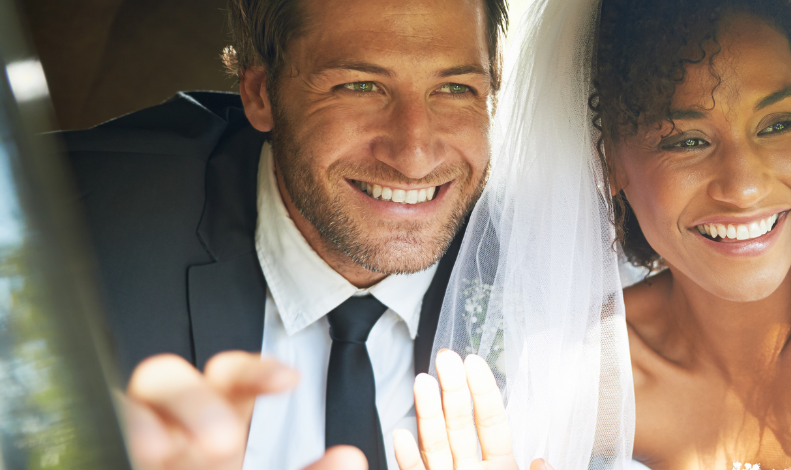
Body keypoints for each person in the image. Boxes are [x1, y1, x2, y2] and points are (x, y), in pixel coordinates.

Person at [408, 0, 791, 468]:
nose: (744, 186)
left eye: (778, 124)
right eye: (687, 141)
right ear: (610, 163)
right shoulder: (576, 374)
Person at [57, 0, 509, 468]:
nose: (414, 157)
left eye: (455, 88)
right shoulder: (69, 229)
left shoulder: (547, 272)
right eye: (360, 86)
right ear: (260, 94)